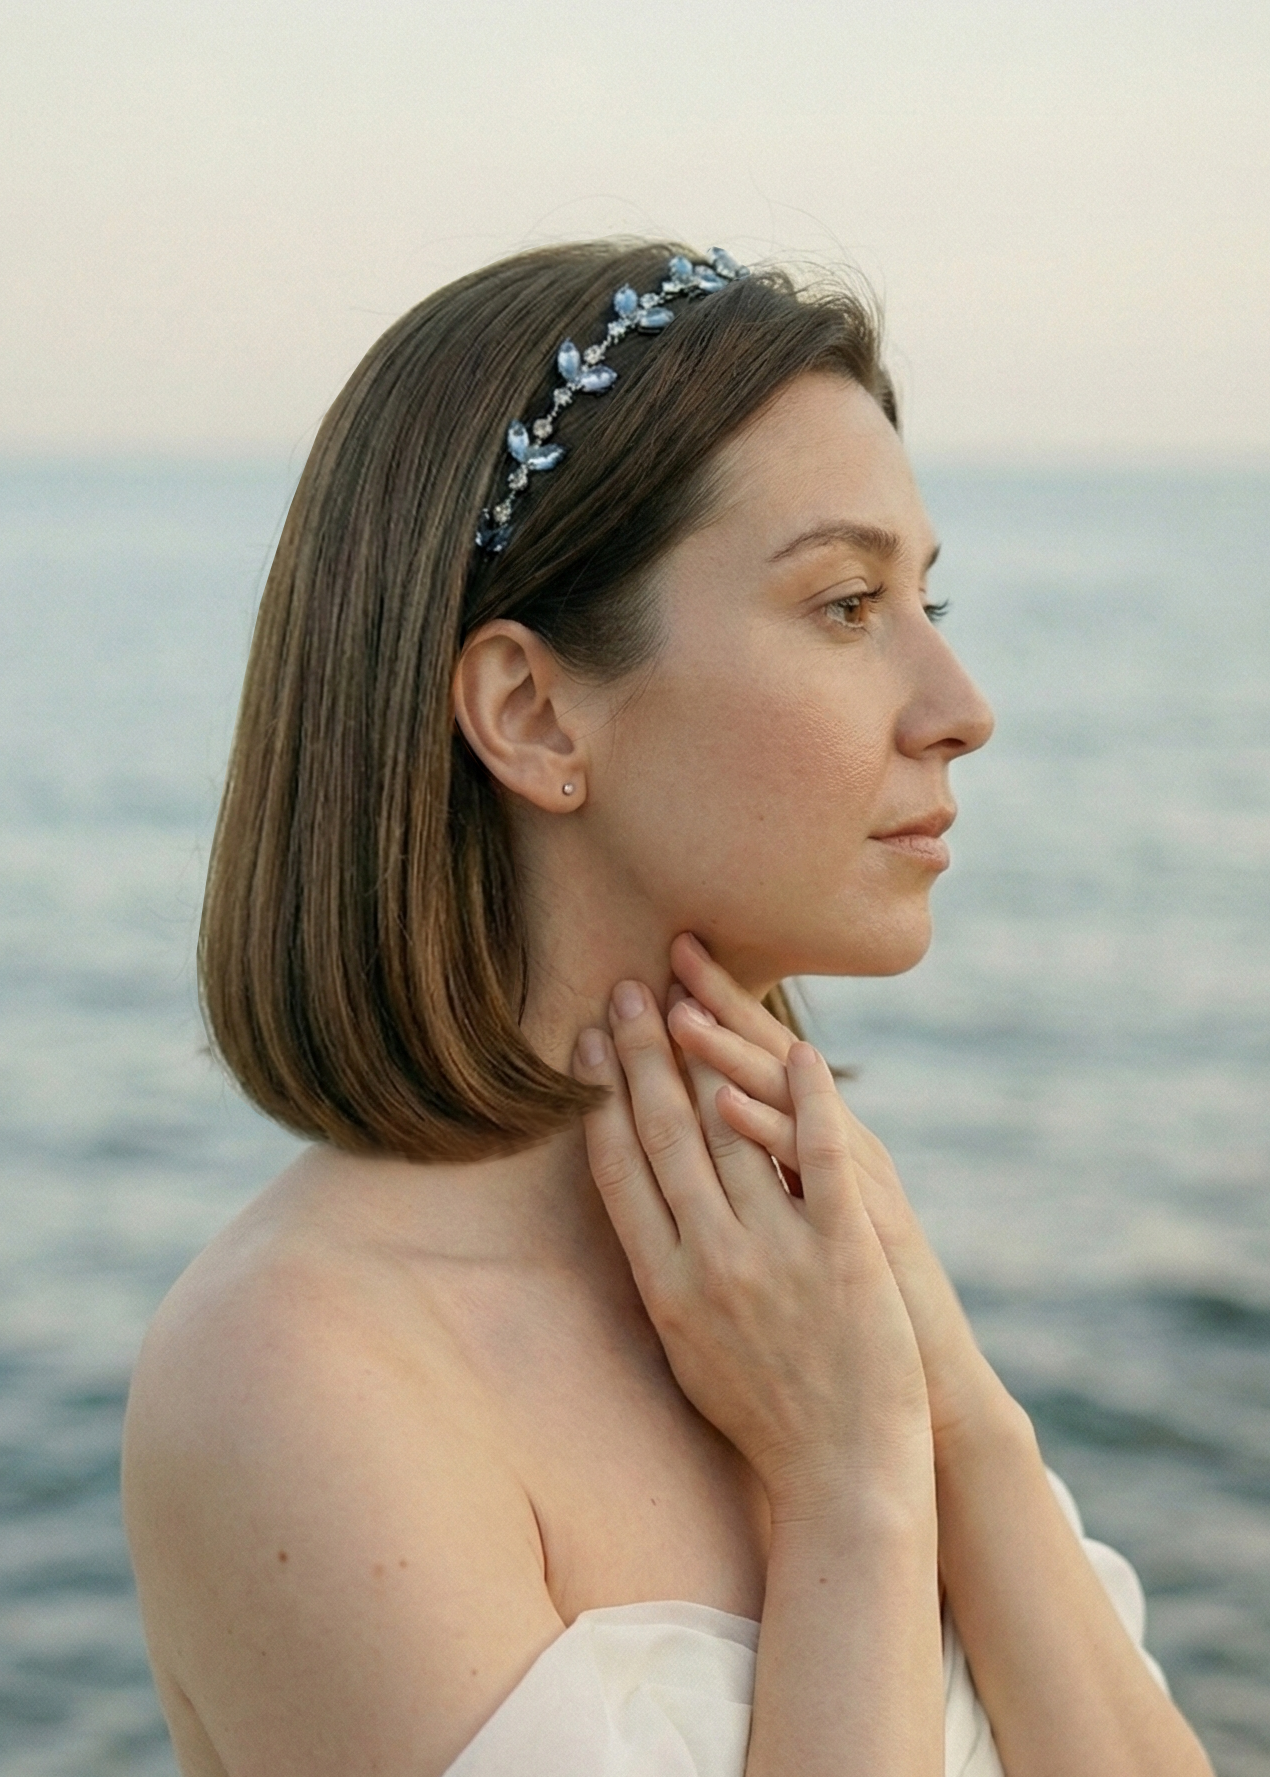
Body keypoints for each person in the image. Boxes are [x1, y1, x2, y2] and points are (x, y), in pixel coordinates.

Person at [121, 240, 1213, 1777]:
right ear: (531, 711)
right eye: (844, 605)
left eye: (924, 596)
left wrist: (951, 1414)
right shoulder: (300, 1375)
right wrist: (849, 1491)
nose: (959, 704)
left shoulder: (808, 1273)